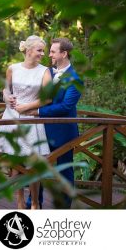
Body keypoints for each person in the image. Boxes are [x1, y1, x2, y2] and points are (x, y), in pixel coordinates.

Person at [0, 35, 52, 210]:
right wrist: (6, 97)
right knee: (14, 161)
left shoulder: (45, 71)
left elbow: (47, 98)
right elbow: (5, 88)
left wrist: (25, 107)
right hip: (11, 118)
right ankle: (19, 201)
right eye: (39, 50)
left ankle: (34, 203)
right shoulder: (12, 68)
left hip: (30, 120)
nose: (42, 54)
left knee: (33, 163)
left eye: (43, 51)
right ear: (28, 50)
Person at [24, 37, 83, 209]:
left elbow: (65, 106)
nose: (49, 55)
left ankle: (64, 208)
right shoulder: (46, 72)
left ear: (64, 54)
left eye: (52, 52)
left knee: (65, 171)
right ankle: (34, 204)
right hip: (41, 130)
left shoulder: (75, 79)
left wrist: (39, 111)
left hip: (63, 132)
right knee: (38, 167)